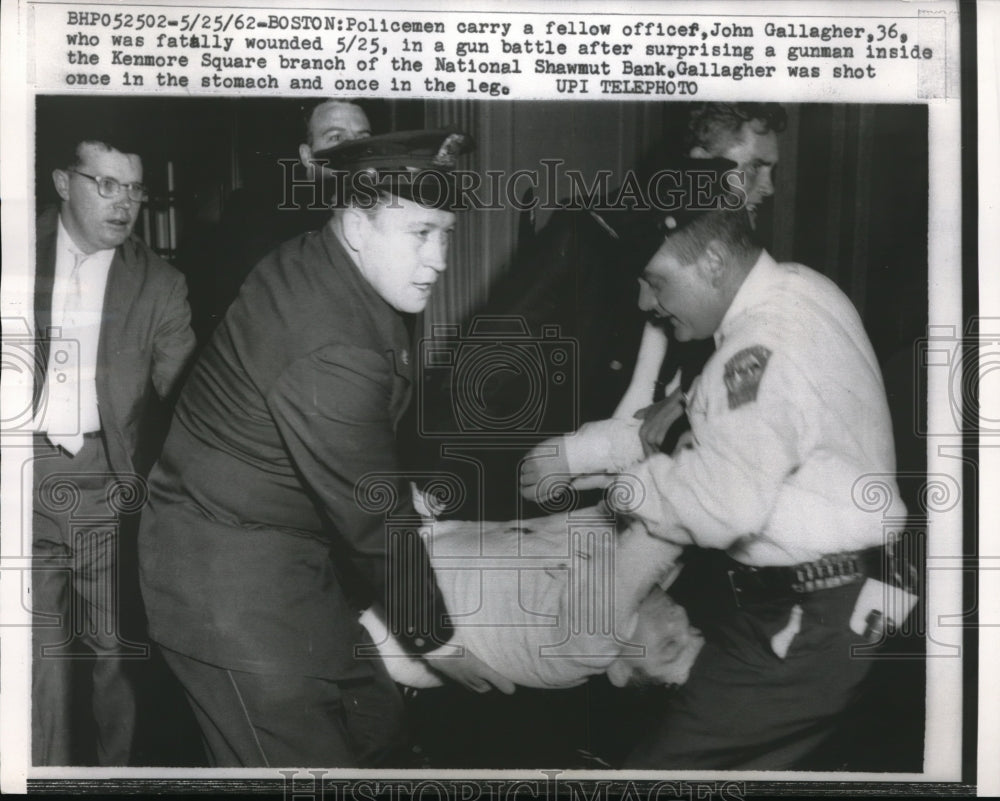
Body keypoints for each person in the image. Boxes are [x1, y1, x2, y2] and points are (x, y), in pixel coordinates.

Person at [138, 129, 514, 769]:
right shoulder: (331, 340)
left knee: (376, 727)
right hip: (226, 588)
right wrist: (439, 642)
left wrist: (387, 487)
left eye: (445, 233)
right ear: (359, 226)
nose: (441, 259)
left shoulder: (318, 260)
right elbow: (370, 519)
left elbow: (342, 448)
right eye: (421, 233)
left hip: (278, 559)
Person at [528, 163, 907, 769]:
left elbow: (723, 506)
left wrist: (629, 486)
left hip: (810, 621)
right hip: (833, 599)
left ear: (711, 264)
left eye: (656, 281)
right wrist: (689, 402)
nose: (646, 302)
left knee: (656, 772)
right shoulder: (804, 286)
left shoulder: (752, 354)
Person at [31, 131, 197, 765]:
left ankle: (112, 781)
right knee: (30, 659)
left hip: (110, 483)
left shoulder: (160, 284)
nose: (124, 202)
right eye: (107, 184)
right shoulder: (14, 251)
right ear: (63, 182)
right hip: (18, 477)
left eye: (134, 188)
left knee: (115, 657)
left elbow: (187, 401)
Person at [617, 102, 783, 455]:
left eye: (771, 170)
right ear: (702, 166)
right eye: (754, 167)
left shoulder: (752, 274)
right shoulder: (643, 252)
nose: (768, 188)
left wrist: (687, 397)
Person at [191, 99, 373, 339]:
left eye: (362, 138)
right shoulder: (253, 215)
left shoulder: (388, 215)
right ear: (307, 156)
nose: (354, 149)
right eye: (336, 138)